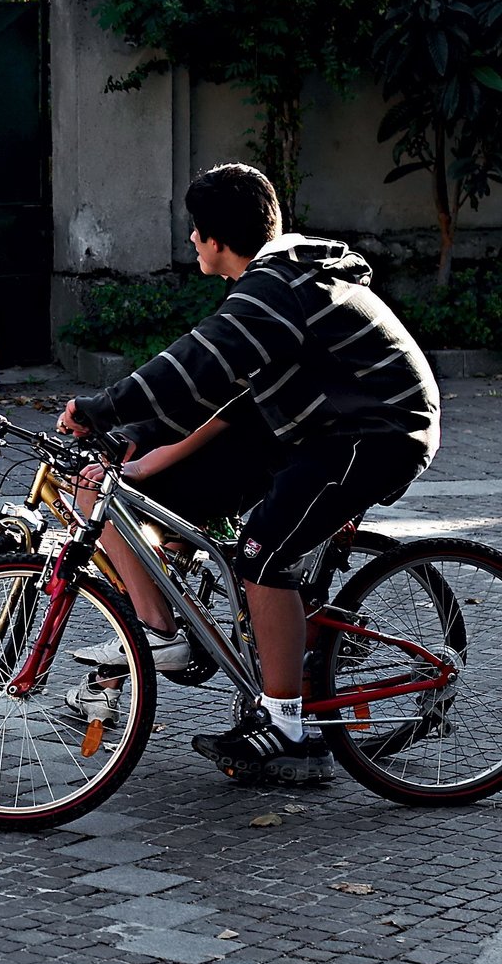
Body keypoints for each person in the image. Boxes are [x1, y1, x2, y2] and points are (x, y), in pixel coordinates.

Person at [58, 163, 440, 784]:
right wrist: (143, 438)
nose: (190, 239)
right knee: (160, 497)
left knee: (261, 555)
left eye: (195, 230)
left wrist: (104, 406)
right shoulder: (276, 282)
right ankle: (177, 630)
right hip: (318, 422)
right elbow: (226, 393)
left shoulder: (276, 288)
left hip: (372, 432)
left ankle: (287, 728)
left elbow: (196, 363)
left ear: (217, 237)